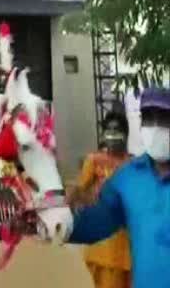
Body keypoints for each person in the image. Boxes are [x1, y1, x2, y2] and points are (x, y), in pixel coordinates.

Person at [64, 86, 170, 288]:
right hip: (115, 260)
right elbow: (98, 219)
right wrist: (57, 222)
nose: (155, 128)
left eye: (164, 119)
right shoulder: (128, 177)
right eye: (148, 119)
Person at [69, 111, 131, 288]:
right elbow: (79, 194)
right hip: (104, 247)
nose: (113, 133)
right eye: (109, 129)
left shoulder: (133, 164)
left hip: (129, 247)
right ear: (103, 134)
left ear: (126, 134)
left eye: (117, 129)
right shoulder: (94, 161)